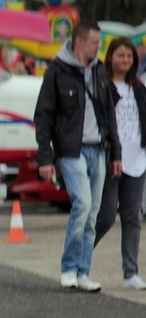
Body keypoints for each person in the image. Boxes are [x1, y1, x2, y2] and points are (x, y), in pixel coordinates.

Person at [35, 20, 121, 293]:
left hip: (99, 149)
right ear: (80, 42)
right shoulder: (57, 72)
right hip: (71, 150)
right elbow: (43, 116)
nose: (99, 47)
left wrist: (115, 153)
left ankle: (84, 271)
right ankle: (68, 267)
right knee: (82, 204)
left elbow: (109, 115)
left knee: (92, 213)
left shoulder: (98, 71)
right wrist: (45, 158)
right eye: (95, 42)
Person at [93, 37, 146, 290]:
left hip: (137, 161)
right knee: (105, 217)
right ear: (110, 57)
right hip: (111, 160)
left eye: (129, 57)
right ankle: (79, 258)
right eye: (120, 55)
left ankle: (130, 273)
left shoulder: (138, 88)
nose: (125, 60)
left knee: (132, 216)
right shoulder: (103, 86)